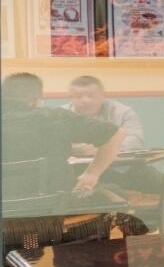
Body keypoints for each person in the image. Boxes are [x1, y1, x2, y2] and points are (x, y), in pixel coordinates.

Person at [2, 71, 127, 202]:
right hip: (56, 207)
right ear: (36, 100)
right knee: (115, 193)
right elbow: (117, 134)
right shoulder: (55, 117)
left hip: (6, 212)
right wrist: (91, 174)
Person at [62, 74, 159, 193]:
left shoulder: (122, 112)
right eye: (78, 96)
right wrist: (77, 148)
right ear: (70, 97)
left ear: (103, 95)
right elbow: (54, 144)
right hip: (79, 170)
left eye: (91, 96)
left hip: (120, 167)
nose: (85, 100)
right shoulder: (61, 115)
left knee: (154, 179)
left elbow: (135, 140)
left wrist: (106, 149)